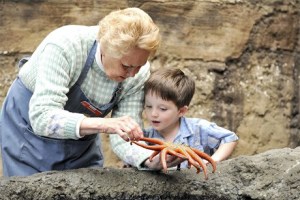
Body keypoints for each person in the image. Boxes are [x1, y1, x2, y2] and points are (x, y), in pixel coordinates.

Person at [0, 7, 162, 177]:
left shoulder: (139, 75)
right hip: (29, 134)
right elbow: (42, 117)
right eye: (127, 66)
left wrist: (149, 160)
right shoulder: (66, 45)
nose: (133, 74)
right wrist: (104, 124)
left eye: (139, 66)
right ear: (106, 49)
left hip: (80, 144)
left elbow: (125, 139)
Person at [128, 68, 239, 170]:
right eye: (148, 106)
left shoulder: (198, 128)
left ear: (181, 111)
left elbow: (230, 138)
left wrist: (212, 161)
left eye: (162, 109)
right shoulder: (145, 136)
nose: (153, 114)